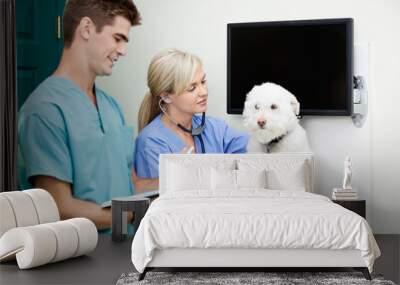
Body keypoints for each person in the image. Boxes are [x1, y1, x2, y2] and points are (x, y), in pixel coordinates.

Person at [18, 0, 142, 230]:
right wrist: (128, 216)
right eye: (117, 38)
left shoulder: (111, 106)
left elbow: (129, 182)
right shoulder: (43, 109)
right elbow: (58, 207)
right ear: (86, 29)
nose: (123, 51)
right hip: (83, 259)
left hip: (129, 253)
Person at [134, 48, 249, 180]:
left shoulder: (216, 128)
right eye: (192, 88)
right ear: (166, 97)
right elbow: (158, 195)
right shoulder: (151, 142)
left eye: (203, 82)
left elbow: (255, 148)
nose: (203, 92)